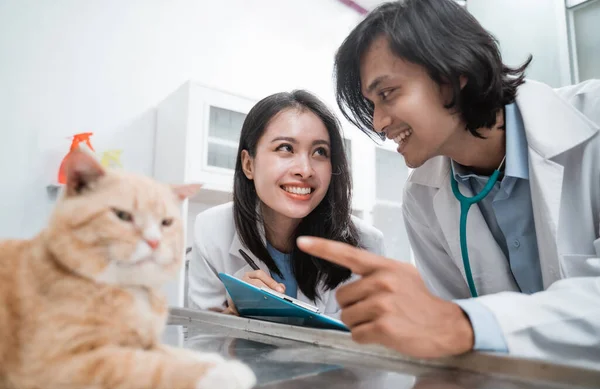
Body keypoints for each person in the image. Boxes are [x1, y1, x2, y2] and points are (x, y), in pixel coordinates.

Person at [297, 0, 600, 368]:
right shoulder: (421, 196)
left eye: (387, 94)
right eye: (371, 104)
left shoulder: (591, 124)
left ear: (454, 72)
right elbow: (447, 338)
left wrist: (466, 324)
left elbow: (457, 325)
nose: (377, 123)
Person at [188, 90, 385, 317]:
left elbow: (368, 343)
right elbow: (201, 340)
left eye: (320, 152)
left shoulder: (367, 245)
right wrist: (234, 316)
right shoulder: (211, 231)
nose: (305, 170)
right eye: (285, 148)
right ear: (248, 164)